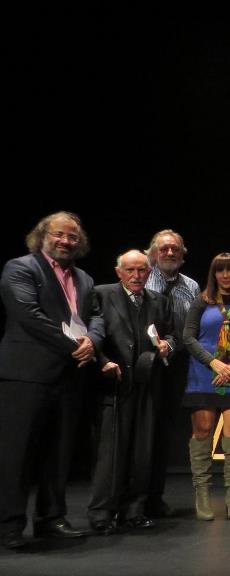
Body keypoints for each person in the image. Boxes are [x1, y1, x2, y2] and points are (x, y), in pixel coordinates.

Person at [0, 212, 104, 549]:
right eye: (59, 234)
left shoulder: (85, 278)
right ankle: (9, 525)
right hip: (27, 375)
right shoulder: (21, 268)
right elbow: (28, 315)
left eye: (72, 237)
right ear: (43, 235)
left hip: (70, 375)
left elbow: (96, 317)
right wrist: (75, 345)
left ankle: (52, 518)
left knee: (59, 452)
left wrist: (93, 342)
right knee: (18, 453)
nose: (65, 241)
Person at [87, 250, 175, 534]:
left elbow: (171, 333)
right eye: (130, 270)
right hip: (115, 384)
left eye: (142, 271)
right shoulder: (102, 294)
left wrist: (167, 345)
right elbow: (92, 333)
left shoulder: (159, 302)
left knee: (142, 449)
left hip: (147, 383)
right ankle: (102, 512)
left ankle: (134, 510)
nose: (136, 276)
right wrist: (101, 361)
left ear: (149, 273)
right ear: (119, 272)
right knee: (111, 452)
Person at [181, 253, 230, 521]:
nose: (226, 275)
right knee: (202, 431)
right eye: (220, 271)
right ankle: (202, 493)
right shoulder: (201, 302)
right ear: (213, 274)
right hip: (204, 373)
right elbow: (188, 337)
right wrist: (214, 364)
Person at [144, 229, 200, 517]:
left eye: (174, 249)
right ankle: (134, 498)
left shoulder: (190, 286)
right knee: (143, 431)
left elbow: (193, 327)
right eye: (164, 249)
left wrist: (174, 346)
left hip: (176, 365)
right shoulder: (142, 276)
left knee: (164, 432)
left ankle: (154, 497)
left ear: (182, 254)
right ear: (153, 252)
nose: (169, 253)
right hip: (142, 364)